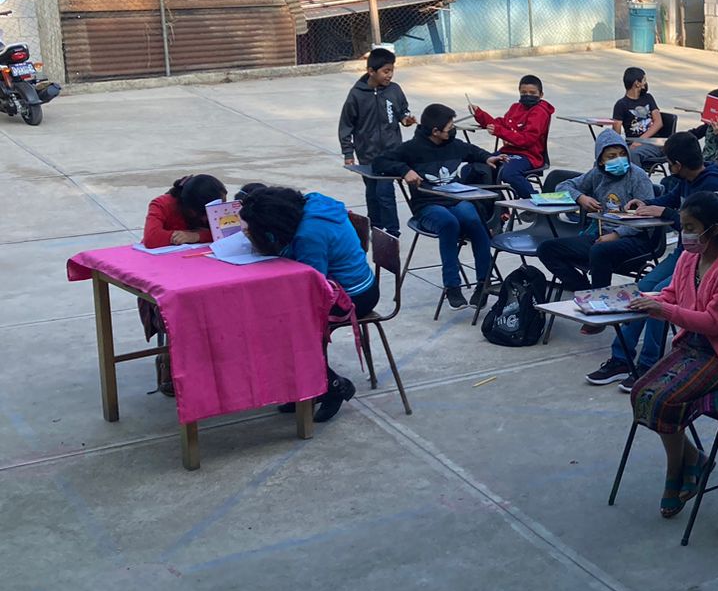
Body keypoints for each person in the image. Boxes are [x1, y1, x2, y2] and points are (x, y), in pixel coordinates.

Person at [628, 191, 718, 519]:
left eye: (690, 226)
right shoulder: (689, 258)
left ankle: (675, 473)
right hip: (693, 345)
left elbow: (714, 324)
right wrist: (636, 298)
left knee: (664, 401)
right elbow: (674, 294)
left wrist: (663, 309)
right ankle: (695, 460)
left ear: (713, 230)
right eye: (683, 225)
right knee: (641, 392)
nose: (684, 233)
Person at [585, 132, 718, 389]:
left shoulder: (713, 186)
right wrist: (646, 204)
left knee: (661, 296)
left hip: (705, 258)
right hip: (683, 255)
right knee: (642, 290)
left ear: (677, 164)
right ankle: (621, 359)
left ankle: (649, 363)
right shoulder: (687, 178)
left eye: (669, 163)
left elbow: (704, 225)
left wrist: (666, 212)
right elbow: (671, 199)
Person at [239, 185, 378, 423]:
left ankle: (332, 384)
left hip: (353, 295)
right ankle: (305, 385)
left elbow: (311, 287)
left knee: (281, 327)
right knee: (272, 319)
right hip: (355, 283)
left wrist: (272, 250)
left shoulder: (309, 235)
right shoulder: (313, 201)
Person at [373, 104, 506, 311]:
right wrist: (404, 170)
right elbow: (380, 162)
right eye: (449, 127)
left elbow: (472, 152)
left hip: (456, 199)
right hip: (428, 205)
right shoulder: (412, 149)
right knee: (448, 223)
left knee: (474, 219)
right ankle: (452, 286)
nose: (452, 130)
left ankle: (484, 282)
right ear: (435, 131)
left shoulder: (453, 144)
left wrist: (488, 157)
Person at [536, 129, 658, 294]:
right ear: (600, 161)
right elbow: (563, 186)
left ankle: (599, 301)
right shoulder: (596, 174)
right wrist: (581, 198)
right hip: (600, 235)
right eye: (611, 156)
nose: (619, 159)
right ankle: (585, 292)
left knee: (600, 250)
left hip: (635, 238)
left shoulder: (638, 177)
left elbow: (647, 218)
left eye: (622, 154)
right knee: (546, 249)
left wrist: (616, 234)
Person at [338, 46, 415, 236]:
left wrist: (406, 120)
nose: (389, 75)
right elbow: (346, 124)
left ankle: (392, 231)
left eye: (392, 71)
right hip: (367, 154)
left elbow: (402, 112)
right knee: (372, 193)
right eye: (385, 71)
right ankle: (376, 227)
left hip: (391, 153)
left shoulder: (394, 90)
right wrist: (348, 153)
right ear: (371, 71)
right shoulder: (356, 94)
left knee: (384, 191)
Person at [471, 75, 553, 200]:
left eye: (532, 93)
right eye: (524, 92)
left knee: (509, 173)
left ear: (541, 94)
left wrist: (500, 131)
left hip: (529, 155)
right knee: (478, 166)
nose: (528, 96)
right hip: (507, 152)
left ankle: (537, 201)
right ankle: (497, 205)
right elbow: (499, 124)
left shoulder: (540, 112)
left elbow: (527, 139)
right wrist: (480, 114)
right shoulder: (515, 108)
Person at [143, 174, 227, 247]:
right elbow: (151, 238)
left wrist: (196, 236)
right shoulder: (162, 204)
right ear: (191, 209)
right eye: (207, 215)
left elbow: (230, 233)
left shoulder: (216, 206)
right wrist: (185, 236)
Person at [612, 66, 666, 170]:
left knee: (633, 154)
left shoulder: (648, 98)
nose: (646, 83)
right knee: (606, 156)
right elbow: (616, 131)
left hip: (653, 142)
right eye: (644, 80)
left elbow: (658, 122)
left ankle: (636, 183)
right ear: (637, 83)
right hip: (631, 142)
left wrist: (641, 140)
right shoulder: (621, 104)